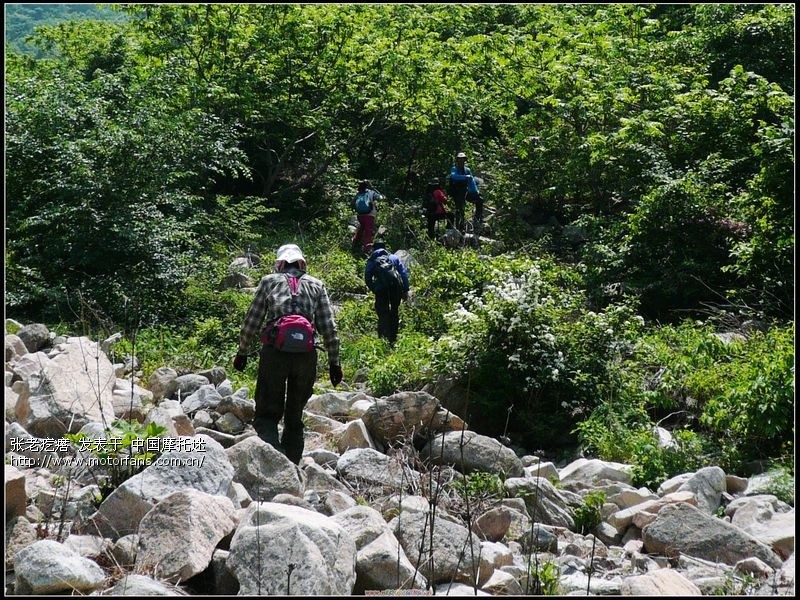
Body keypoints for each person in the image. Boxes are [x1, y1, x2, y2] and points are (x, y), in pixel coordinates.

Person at [232, 243, 343, 464]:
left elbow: (252, 321)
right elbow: (328, 327)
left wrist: (242, 352)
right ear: (302, 263)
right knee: (294, 416)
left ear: (280, 263)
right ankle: (292, 465)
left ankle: (272, 461)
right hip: (306, 356)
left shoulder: (268, 282)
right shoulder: (317, 285)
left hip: (275, 354)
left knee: (267, 412)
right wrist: (334, 363)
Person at [365, 241, 410, 345]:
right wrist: (405, 290)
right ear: (385, 248)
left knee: (382, 313)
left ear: (374, 249)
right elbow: (403, 274)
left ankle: (383, 338)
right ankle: (393, 338)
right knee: (394, 311)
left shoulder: (372, 260)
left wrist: (375, 289)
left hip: (381, 290)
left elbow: (367, 278)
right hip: (396, 288)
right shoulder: (394, 258)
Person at [351, 179, 383, 255]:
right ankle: (367, 250)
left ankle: (355, 243)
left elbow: (352, 203)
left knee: (361, 229)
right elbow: (381, 198)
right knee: (368, 232)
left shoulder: (358, 194)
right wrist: (373, 188)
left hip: (360, 215)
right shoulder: (371, 193)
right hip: (369, 215)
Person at [448, 151, 472, 232]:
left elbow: (471, 180)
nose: (461, 161)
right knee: (457, 209)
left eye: (463, 160)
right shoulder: (454, 169)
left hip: (464, 191)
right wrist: (465, 177)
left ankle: (461, 227)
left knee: (461, 209)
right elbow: (454, 177)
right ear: (457, 160)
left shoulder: (467, 170)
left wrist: (475, 191)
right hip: (455, 191)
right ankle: (456, 226)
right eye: (460, 160)